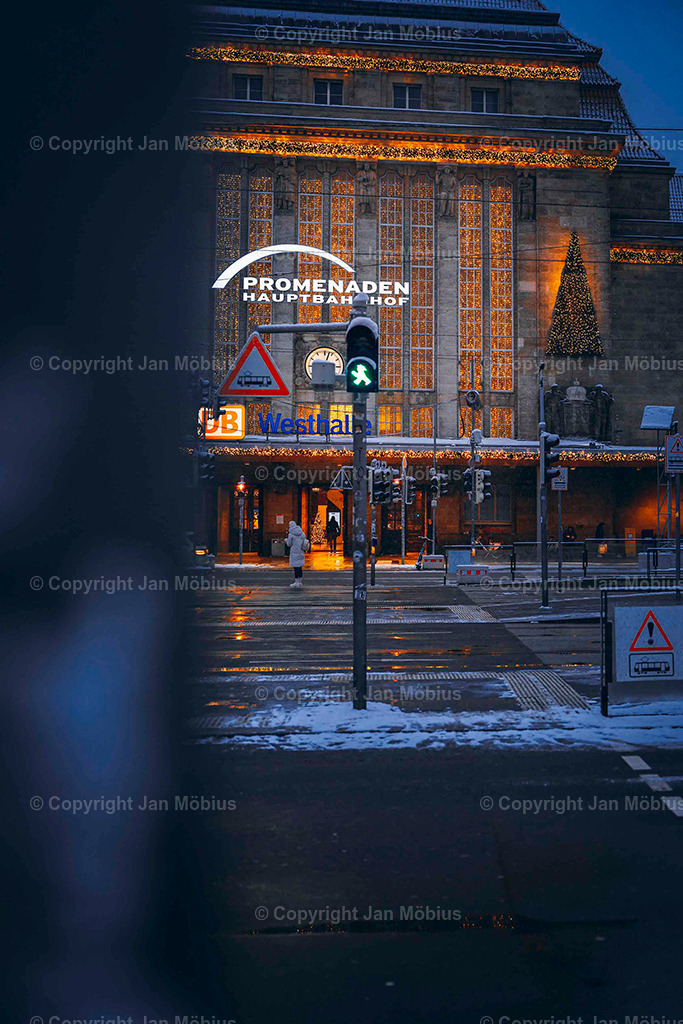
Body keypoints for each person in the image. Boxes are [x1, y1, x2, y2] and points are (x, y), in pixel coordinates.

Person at [285, 520, 308, 589]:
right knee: (300, 567)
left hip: (294, 552)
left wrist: (286, 540)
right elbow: (304, 540)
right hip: (300, 551)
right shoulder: (301, 533)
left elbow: (289, 544)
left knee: (295, 567)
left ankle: (296, 582)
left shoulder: (291, 534)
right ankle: (300, 582)